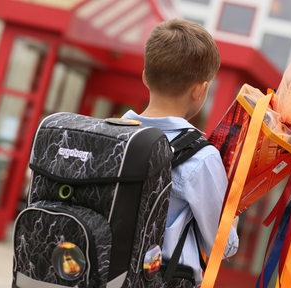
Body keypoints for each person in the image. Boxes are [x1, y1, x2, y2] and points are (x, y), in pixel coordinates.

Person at [122, 19, 239, 287]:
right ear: (201, 89)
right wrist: (234, 215)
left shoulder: (113, 133)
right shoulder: (201, 157)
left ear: (144, 77)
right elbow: (222, 245)